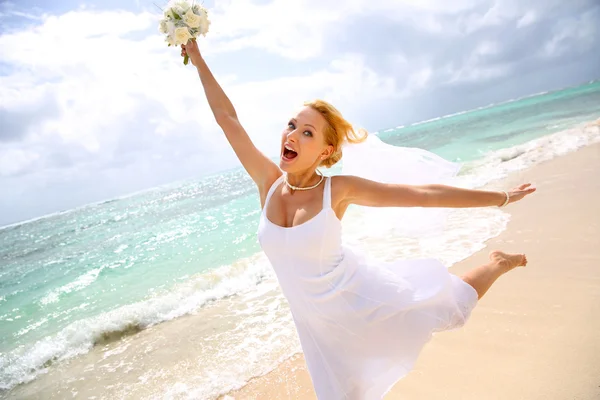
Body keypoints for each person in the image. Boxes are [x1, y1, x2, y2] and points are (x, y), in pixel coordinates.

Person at [181, 41, 536, 399]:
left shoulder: (336, 191)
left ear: (326, 151)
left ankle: (496, 263)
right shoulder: (268, 183)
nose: (292, 135)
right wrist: (197, 58)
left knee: (450, 310)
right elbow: (228, 120)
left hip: (358, 298)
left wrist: (501, 197)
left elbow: (423, 195)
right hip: (315, 325)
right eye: (291, 125)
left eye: (308, 132)